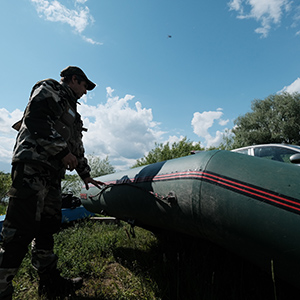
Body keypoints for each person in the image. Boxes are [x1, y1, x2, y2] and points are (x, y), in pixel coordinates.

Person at [0, 66, 105, 300]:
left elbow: (76, 149)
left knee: (48, 226)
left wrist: (85, 174)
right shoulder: (49, 89)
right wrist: (61, 152)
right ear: (74, 79)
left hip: (52, 174)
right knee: (19, 229)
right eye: (85, 86)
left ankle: (49, 282)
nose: (86, 92)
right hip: (32, 167)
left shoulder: (74, 115)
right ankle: (2, 286)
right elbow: (35, 119)